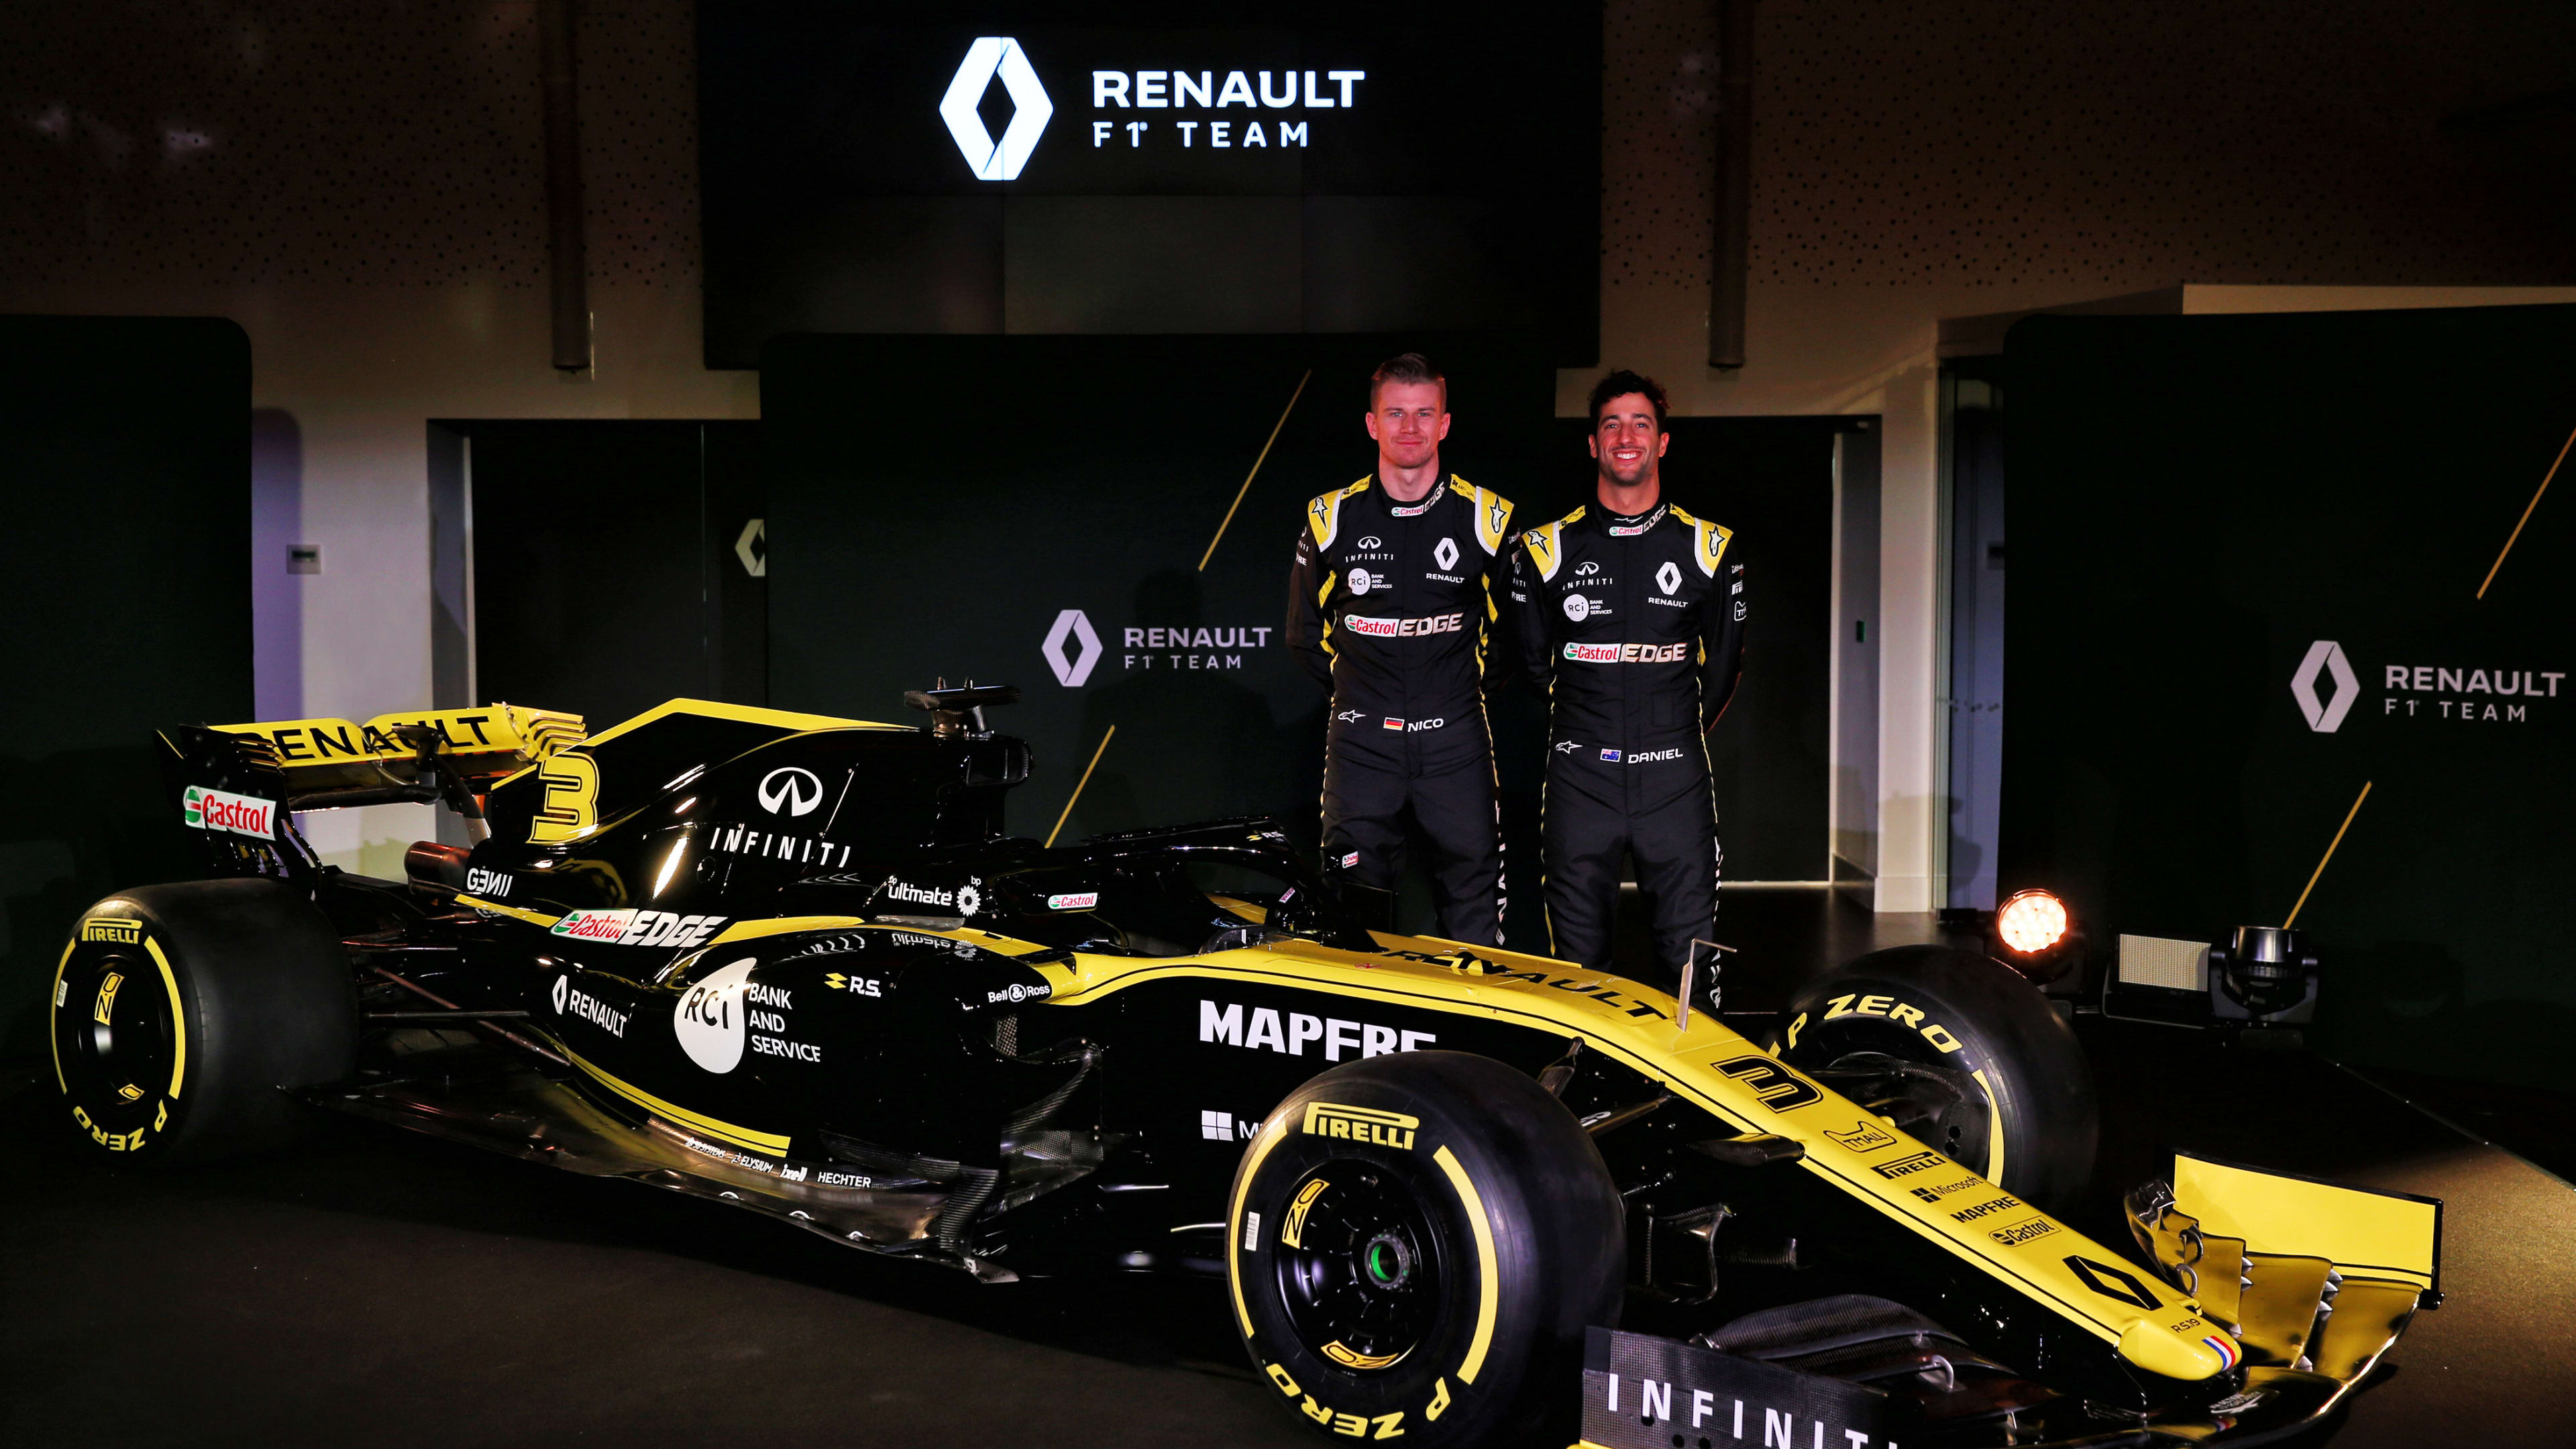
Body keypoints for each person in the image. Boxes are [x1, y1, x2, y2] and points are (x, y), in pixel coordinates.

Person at [1508, 370, 1745, 983]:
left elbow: (1723, 668)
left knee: (1691, 968)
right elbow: (1532, 668)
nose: (1626, 436)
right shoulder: (1544, 549)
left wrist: (1672, 735)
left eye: (1641, 423)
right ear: (1593, 443)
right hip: (1580, 782)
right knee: (1577, 972)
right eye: (1611, 424)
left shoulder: (1709, 547)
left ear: (1662, 441)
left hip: (1675, 782)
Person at [1287, 354, 1517, 945]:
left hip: (1456, 743)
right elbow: (1304, 636)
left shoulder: (1488, 518)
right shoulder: (1330, 517)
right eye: (1395, 413)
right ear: (1372, 424)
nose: (1409, 427)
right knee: (1353, 915)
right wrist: (1361, 698)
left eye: (1423, 414)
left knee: (1473, 914)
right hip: (1362, 747)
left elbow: (1513, 639)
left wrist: (1455, 697)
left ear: (1445, 424)